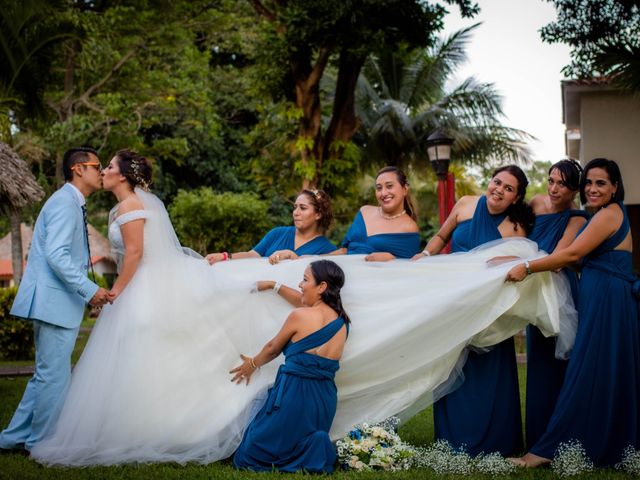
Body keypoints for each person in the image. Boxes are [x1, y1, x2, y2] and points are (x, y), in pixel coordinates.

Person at [506, 158, 639, 467]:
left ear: (615, 187)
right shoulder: (605, 215)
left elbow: (572, 253)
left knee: (588, 370)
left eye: (601, 183)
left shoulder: (608, 215)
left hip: (609, 300)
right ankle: (601, 441)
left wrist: (526, 267)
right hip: (602, 296)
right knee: (603, 370)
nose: (592, 189)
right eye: (589, 183)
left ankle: (544, 451)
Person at [417, 164, 535, 457]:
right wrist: (426, 253)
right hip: (453, 298)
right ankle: (451, 440)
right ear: (490, 180)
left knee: (487, 371)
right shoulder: (466, 203)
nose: (499, 190)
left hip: (487, 308)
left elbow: (524, 260)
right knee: (451, 364)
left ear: (516, 198)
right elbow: (442, 237)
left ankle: (496, 442)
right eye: (497, 182)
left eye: (508, 189)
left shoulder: (515, 227)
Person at [0, 147, 109, 453]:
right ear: (78, 169)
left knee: (45, 375)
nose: (101, 173)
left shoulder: (71, 202)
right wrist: (90, 290)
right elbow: (58, 255)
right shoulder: (64, 203)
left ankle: (13, 438)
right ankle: (41, 443)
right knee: (54, 378)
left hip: (55, 302)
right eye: (97, 166)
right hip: (53, 303)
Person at [231, 260, 349, 473]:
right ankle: (313, 451)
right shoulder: (342, 322)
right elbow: (306, 303)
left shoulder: (300, 316)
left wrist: (252, 364)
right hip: (324, 398)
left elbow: (273, 348)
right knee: (305, 436)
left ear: (322, 287)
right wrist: (273, 285)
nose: (300, 284)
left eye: (305, 279)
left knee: (248, 454)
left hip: (295, 394)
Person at [525, 159, 587, 449]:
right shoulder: (535, 203)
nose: (553, 188)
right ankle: (538, 437)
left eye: (562, 183)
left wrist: (522, 266)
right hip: (534, 289)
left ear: (574, 189)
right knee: (538, 361)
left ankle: (564, 438)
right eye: (551, 180)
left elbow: (562, 255)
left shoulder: (578, 218)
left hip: (560, 290)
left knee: (561, 363)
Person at [206, 189, 336, 265]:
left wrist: (292, 256)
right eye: (295, 207)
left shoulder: (328, 251)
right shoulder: (277, 233)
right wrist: (224, 257)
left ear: (318, 214)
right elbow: (252, 255)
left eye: (303, 208)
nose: (296, 212)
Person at [332, 166, 420, 260]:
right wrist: (315, 258)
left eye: (389, 186)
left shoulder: (409, 227)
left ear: (404, 189)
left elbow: (409, 267)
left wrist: (392, 258)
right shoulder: (364, 211)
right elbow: (344, 250)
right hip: (344, 268)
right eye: (379, 188)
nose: (383, 193)